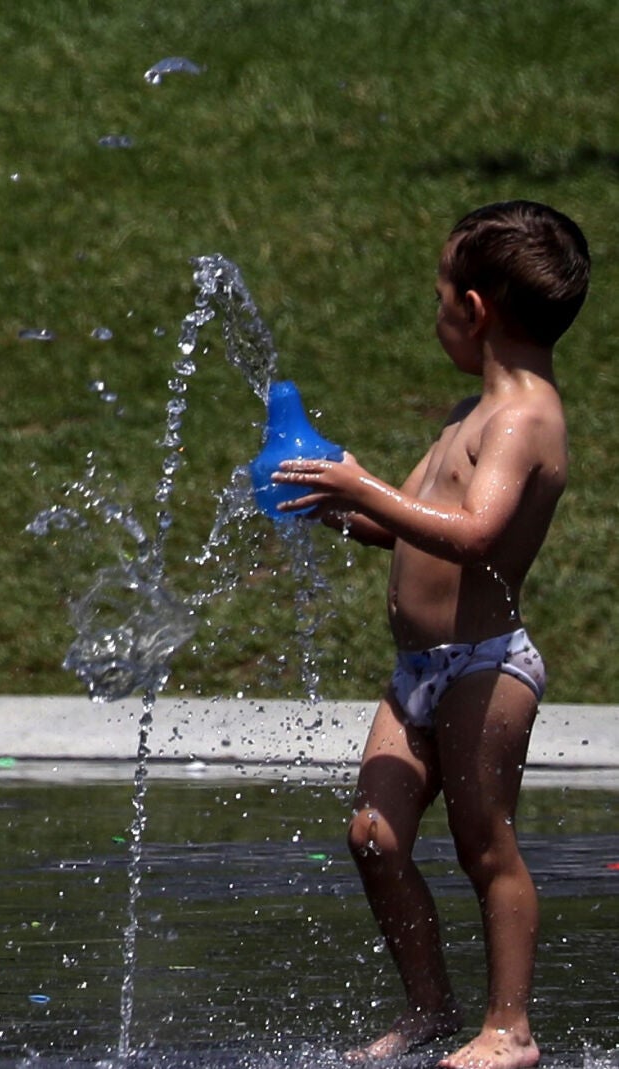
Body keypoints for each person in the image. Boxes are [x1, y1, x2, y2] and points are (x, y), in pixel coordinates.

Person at [274, 200, 590, 1069]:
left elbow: (479, 531)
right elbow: (413, 525)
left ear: (475, 308)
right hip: (417, 669)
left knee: (486, 841)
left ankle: (510, 1028)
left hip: (487, 669)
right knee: (374, 835)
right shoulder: (468, 411)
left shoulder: (523, 417)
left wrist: (366, 482)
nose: (437, 311)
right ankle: (430, 1007)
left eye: (440, 293)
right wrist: (334, 505)